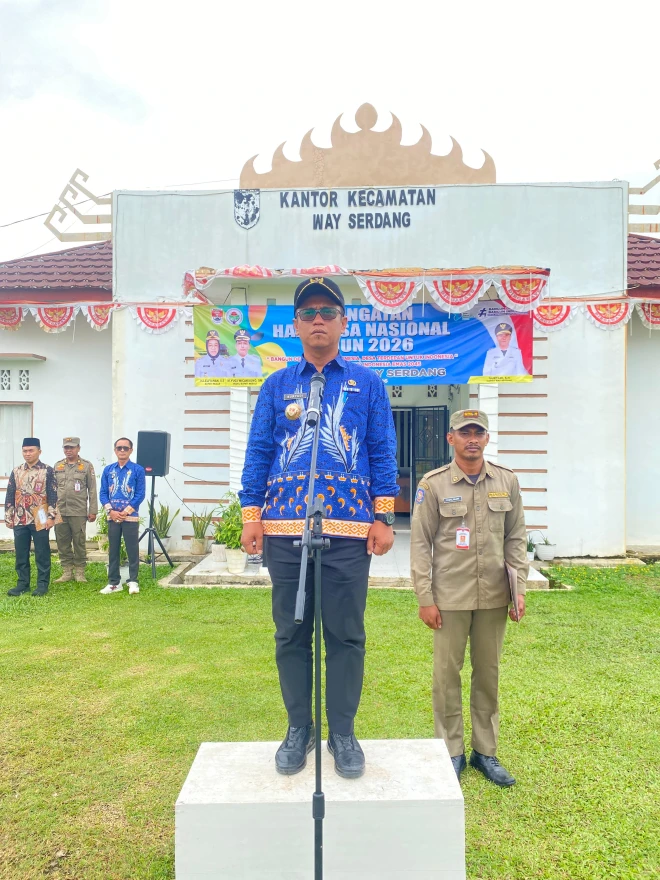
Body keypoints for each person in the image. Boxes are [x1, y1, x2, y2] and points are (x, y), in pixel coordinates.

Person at [240, 276, 399, 779]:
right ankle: (298, 729)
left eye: (327, 312)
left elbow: (382, 451)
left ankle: (343, 733)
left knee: (346, 634)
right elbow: (259, 453)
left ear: (343, 322)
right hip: (285, 529)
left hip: (350, 531)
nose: (318, 320)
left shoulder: (368, 384)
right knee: (290, 633)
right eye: (308, 313)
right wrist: (251, 515)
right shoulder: (276, 385)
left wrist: (384, 516)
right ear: (296, 324)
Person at [409, 409, 528, 787]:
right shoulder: (434, 485)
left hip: (494, 595)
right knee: (447, 676)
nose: (472, 438)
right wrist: (425, 597)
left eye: (478, 432)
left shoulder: (506, 482)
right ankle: (451, 751)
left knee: (488, 675)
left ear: (487, 439)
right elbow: (419, 544)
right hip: (450, 597)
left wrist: (519, 587)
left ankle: (485, 752)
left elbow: (515, 538)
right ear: (451, 438)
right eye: (465, 432)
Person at [4, 438, 58, 597]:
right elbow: (10, 495)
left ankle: (42, 584)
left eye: (31, 450)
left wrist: (51, 516)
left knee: (42, 552)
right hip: (20, 517)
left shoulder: (47, 470)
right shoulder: (16, 471)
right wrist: (9, 516)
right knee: (21, 552)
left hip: (40, 517)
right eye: (25, 451)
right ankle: (22, 584)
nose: (27, 454)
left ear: (39, 451)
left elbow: (54, 494)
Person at [99, 437, 145, 595]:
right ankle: (114, 583)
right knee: (113, 549)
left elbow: (140, 494)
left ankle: (133, 581)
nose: (122, 451)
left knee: (132, 548)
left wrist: (126, 511)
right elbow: (103, 493)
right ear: (115, 450)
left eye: (126, 448)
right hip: (113, 516)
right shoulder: (108, 470)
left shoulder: (138, 470)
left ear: (131, 450)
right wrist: (111, 511)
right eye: (119, 448)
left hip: (130, 516)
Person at [53, 436, 98, 583]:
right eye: (66, 447)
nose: (69, 450)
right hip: (60, 511)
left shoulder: (86, 466)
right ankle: (67, 572)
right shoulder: (58, 466)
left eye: (72, 447)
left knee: (79, 541)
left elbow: (92, 489)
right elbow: (52, 490)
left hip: (78, 511)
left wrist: (93, 510)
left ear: (78, 448)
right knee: (62, 541)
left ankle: (79, 572)